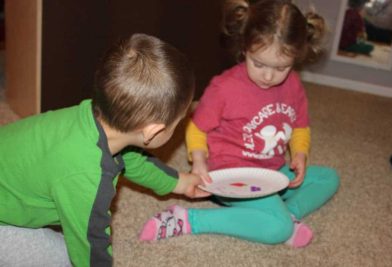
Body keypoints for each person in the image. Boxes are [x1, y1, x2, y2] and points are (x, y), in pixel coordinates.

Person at [139, 0, 340, 248]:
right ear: (245, 48)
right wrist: (199, 161)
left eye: (281, 67)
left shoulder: (294, 85)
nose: (268, 76)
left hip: (273, 172)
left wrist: (299, 153)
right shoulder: (224, 87)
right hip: (232, 176)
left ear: (296, 57)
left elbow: (300, 125)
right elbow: (197, 128)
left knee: (328, 179)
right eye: (259, 63)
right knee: (278, 230)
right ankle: (188, 219)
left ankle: (287, 213)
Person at [0, 33, 210, 266]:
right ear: (152, 132)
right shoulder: (88, 176)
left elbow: (133, 160)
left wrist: (180, 182)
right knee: (64, 258)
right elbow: (90, 242)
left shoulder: (92, 119)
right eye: (179, 121)